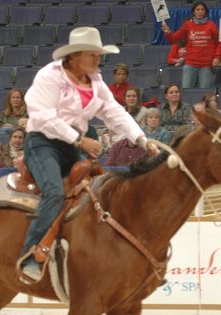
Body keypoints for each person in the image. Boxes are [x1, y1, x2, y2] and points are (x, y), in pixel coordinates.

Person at [19, 26, 151, 281]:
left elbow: (115, 112)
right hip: (42, 143)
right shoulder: (50, 75)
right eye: (93, 54)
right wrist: (80, 140)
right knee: (55, 191)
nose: (98, 59)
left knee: (96, 192)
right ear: (76, 56)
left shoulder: (97, 82)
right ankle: (30, 253)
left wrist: (141, 139)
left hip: (71, 145)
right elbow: (42, 116)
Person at [161, 1, 221, 89]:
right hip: (190, 64)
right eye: (197, 9)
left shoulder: (211, 25)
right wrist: (167, 32)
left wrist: (217, 57)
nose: (200, 12)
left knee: (204, 93)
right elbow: (174, 39)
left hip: (206, 65)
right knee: (187, 91)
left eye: (202, 9)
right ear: (193, 12)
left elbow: (220, 42)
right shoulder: (188, 25)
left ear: (205, 12)